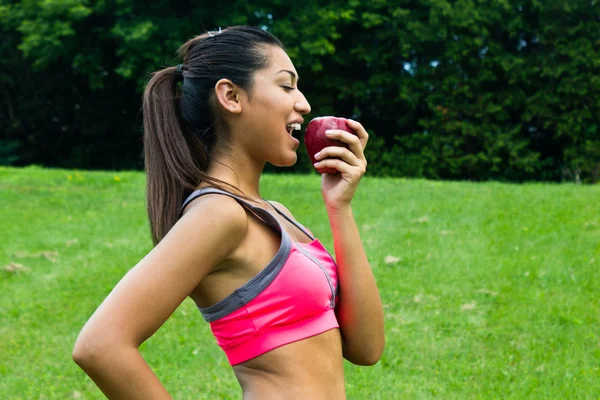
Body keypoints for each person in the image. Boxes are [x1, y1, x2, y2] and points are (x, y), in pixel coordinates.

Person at [72, 25, 384, 399]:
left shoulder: (274, 213)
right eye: (286, 86)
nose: (303, 103)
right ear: (231, 96)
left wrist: (340, 207)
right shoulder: (218, 214)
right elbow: (100, 345)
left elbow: (366, 348)